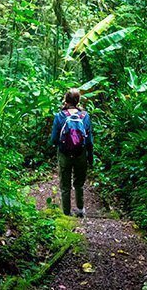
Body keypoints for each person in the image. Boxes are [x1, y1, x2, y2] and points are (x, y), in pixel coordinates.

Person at [50, 88, 94, 217]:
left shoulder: (59, 116)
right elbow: (89, 140)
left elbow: (53, 140)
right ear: (78, 100)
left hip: (64, 155)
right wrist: (90, 157)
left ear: (66, 100)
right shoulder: (85, 116)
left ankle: (66, 212)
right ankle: (80, 210)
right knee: (79, 184)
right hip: (81, 154)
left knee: (65, 185)